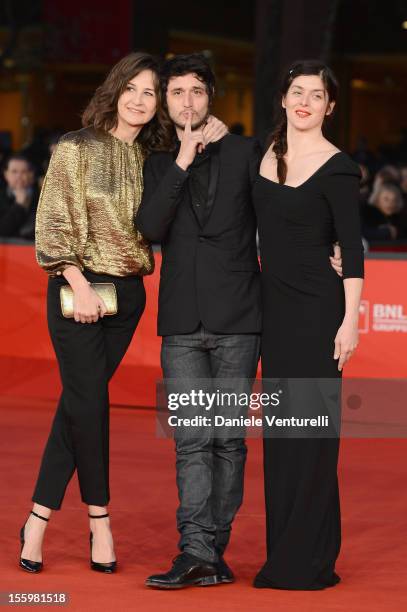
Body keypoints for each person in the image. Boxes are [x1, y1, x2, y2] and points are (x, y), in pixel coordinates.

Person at [135, 53, 343, 590]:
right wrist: (182, 160)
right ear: (168, 102)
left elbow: (290, 203)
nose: (187, 102)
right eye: (176, 92)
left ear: (211, 98)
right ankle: (195, 550)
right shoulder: (157, 162)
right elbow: (150, 226)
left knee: (228, 440)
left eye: (196, 92)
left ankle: (215, 551)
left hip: (240, 321)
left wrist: (333, 246)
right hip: (181, 322)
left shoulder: (250, 151)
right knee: (190, 438)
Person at [19, 52, 165, 574]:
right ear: (115, 87)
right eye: (132, 87)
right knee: (91, 406)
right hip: (77, 291)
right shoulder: (76, 147)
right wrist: (78, 283)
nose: (139, 99)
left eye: (150, 92)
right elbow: (53, 221)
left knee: (77, 407)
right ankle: (99, 522)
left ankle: (35, 518)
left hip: (128, 298)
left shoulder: (155, 158)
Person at [252, 60, 364, 590]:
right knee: (281, 437)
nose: (304, 102)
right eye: (297, 91)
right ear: (283, 98)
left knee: (313, 437)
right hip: (272, 313)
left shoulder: (338, 166)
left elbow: (354, 253)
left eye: (316, 95)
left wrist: (350, 323)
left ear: (330, 106)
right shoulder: (262, 156)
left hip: (319, 313)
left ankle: (310, 560)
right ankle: (286, 552)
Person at [0, 154, 38, 239]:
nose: (19, 176)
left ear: (31, 174)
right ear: (6, 175)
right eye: (14, 171)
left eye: (24, 172)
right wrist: (19, 206)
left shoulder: (42, 198)